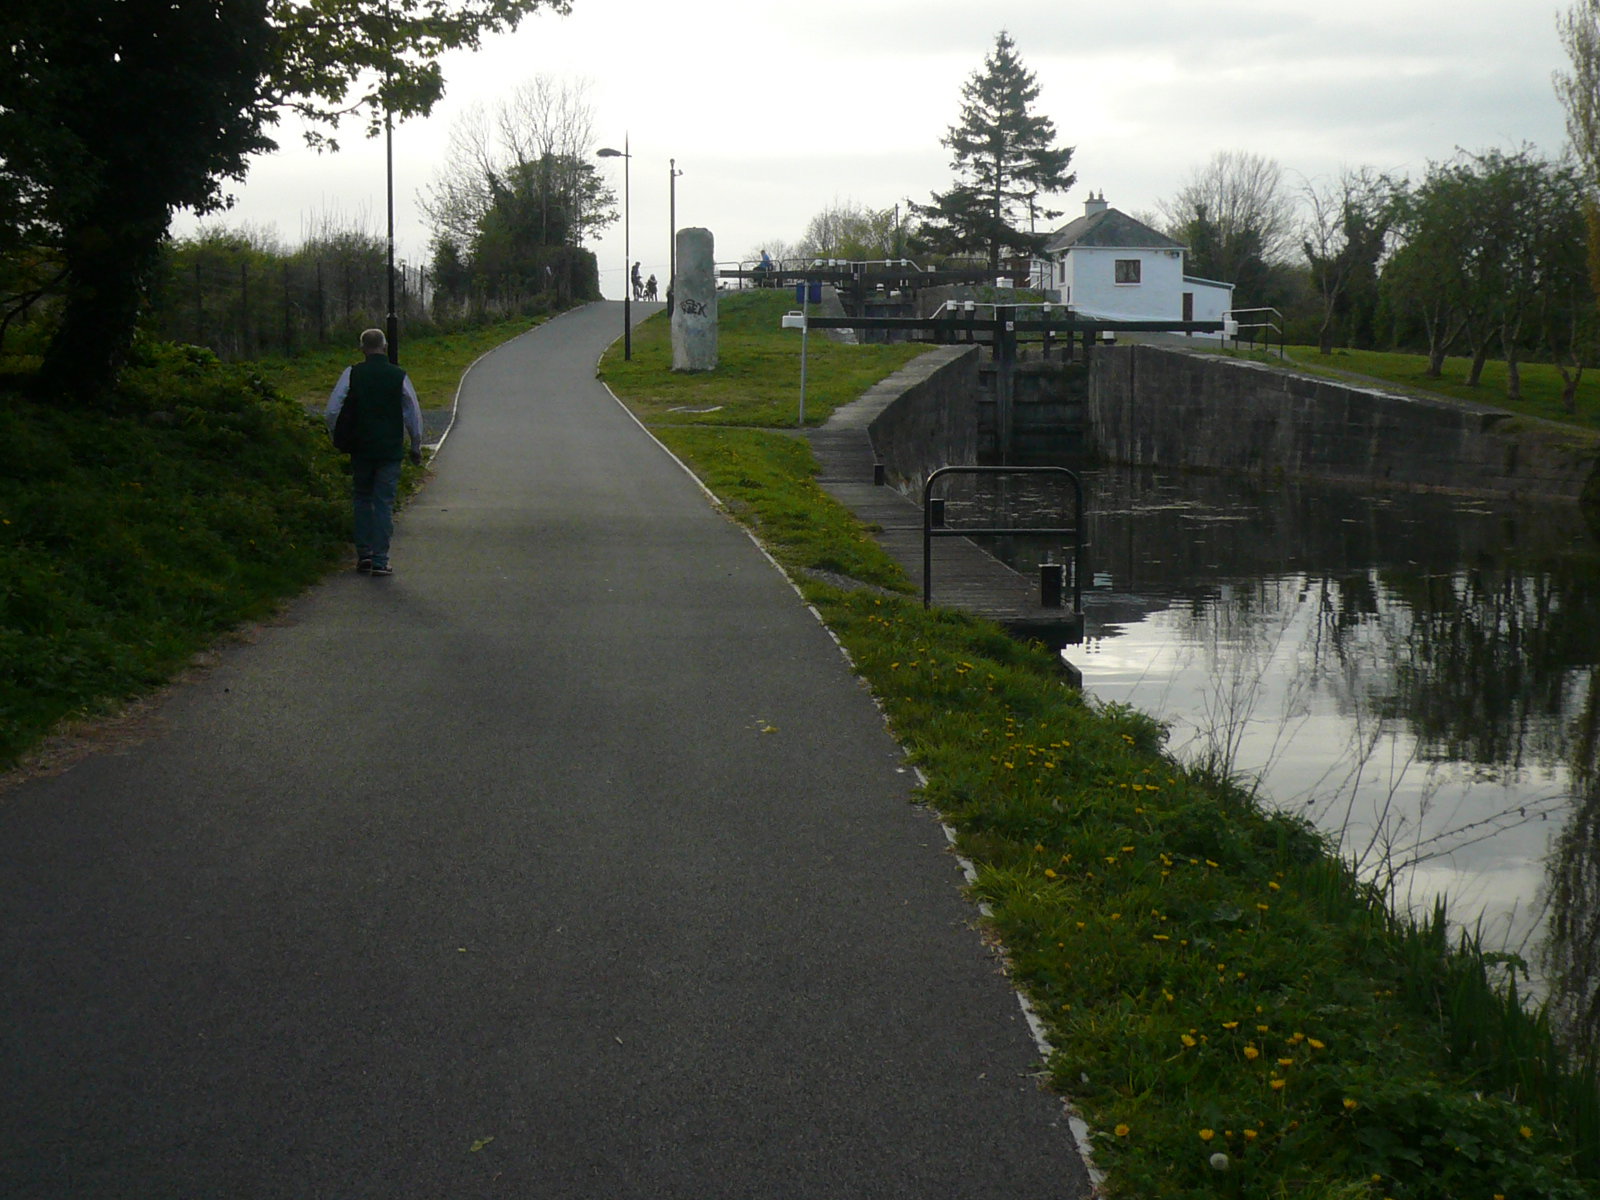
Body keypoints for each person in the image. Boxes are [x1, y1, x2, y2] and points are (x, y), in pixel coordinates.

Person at [325, 328, 425, 577]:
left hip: (361, 447)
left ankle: (364, 554)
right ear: (385, 346)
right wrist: (415, 446)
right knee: (383, 503)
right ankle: (381, 560)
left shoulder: (351, 374)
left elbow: (332, 410)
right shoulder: (398, 376)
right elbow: (412, 413)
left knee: (361, 498)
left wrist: (336, 436)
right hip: (389, 449)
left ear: (362, 348)